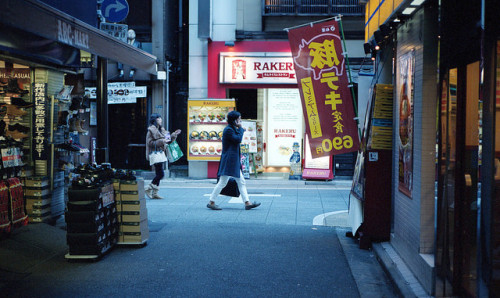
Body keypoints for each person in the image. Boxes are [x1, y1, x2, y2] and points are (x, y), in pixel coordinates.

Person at [207, 111, 260, 210]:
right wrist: (240, 129)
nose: (240, 121)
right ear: (234, 120)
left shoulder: (232, 129)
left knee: (239, 181)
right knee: (224, 182)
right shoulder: (228, 130)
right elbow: (238, 139)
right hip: (229, 160)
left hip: (232, 160)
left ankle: (247, 203)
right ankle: (211, 201)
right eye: (239, 119)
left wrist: (239, 129)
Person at [145, 113, 181, 199]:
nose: (161, 120)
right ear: (155, 120)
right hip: (155, 153)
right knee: (161, 174)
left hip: (161, 153)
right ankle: (149, 188)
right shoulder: (151, 130)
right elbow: (150, 143)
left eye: (160, 118)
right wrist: (161, 141)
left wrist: (174, 134)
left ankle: (154, 193)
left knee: (159, 173)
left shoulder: (162, 129)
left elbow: (168, 140)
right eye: (159, 119)